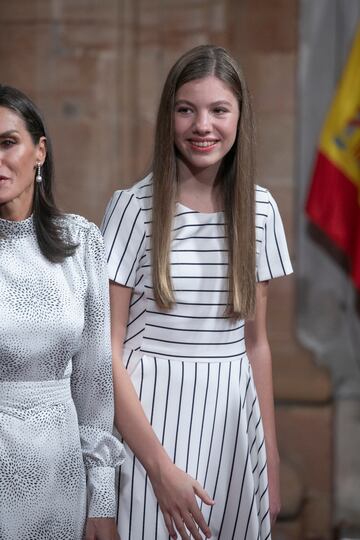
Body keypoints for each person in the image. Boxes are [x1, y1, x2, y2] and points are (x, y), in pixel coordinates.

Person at [102, 45, 293, 540]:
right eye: (186, 109)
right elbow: (108, 351)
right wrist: (160, 469)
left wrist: (269, 456)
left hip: (233, 424)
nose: (201, 126)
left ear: (239, 117)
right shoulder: (131, 208)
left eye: (218, 110)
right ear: (169, 116)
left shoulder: (262, 211)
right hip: (148, 424)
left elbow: (257, 345)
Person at [0, 85, 125, 540]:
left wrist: (103, 500)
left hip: (61, 479)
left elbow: (95, 384)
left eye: (8, 142)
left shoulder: (81, 243)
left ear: (39, 151)